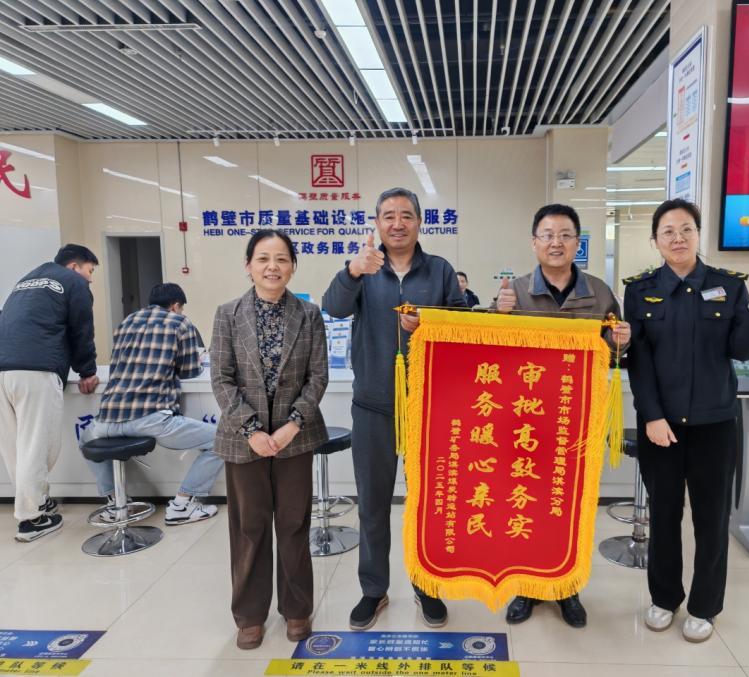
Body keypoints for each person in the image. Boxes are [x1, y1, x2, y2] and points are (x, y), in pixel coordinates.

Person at [624, 198, 749, 643]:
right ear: (655, 240)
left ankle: (705, 606)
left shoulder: (728, 286)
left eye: (686, 229)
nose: (677, 238)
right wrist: (652, 416)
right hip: (661, 427)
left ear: (698, 235)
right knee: (664, 515)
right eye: (668, 231)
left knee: (712, 520)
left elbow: (742, 349)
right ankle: (663, 598)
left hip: (715, 425)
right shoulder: (640, 291)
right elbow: (639, 360)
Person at [323, 187, 467, 631]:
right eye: (389, 216)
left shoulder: (439, 270)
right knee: (372, 504)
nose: (398, 223)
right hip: (372, 406)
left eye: (406, 215)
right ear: (377, 223)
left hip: (429, 407)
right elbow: (333, 308)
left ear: (419, 222)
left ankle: (428, 585)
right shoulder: (364, 269)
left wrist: (430, 323)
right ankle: (374, 590)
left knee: (429, 504)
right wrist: (352, 270)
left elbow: (463, 324)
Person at [495, 203, 631, 628]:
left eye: (565, 235)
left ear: (577, 243)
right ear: (534, 242)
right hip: (526, 421)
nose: (556, 243)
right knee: (524, 504)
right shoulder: (514, 293)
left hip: (578, 420)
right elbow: (492, 356)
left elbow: (614, 353)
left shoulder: (600, 293)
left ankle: (568, 587)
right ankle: (526, 587)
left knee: (572, 506)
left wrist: (622, 340)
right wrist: (499, 316)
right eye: (548, 235)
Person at [210, 229, 328, 650]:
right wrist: (252, 431)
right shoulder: (227, 314)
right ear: (248, 266)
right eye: (263, 258)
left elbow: (318, 377)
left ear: (293, 266)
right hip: (244, 441)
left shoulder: (309, 315)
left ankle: (296, 609)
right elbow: (221, 378)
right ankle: (249, 616)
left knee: (294, 524)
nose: (272, 267)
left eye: (281, 259)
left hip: (295, 437)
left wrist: (291, 424)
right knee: (249, 527)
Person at [79, 282, 222, 526]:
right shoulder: (180, 323)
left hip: (106, 422)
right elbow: (189, 372)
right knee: (222, 440)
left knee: (86, 439)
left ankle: (115, 503)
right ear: (175, 306)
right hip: (152, 419)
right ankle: (182, 505)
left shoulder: (127, 322)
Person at [0, 244, 99, 542]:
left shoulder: (26, 281)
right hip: (37, 371)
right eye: (90, 271)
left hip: (3, 370)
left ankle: (37, 502)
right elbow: (82, 330)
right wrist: (87, 370)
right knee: (38, 446)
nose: (90, 278)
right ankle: (31, 520)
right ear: (75, 267)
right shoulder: (74, 283)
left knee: (15, 448)